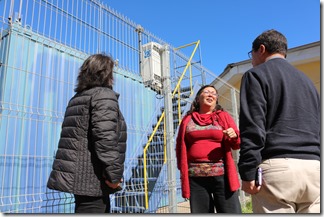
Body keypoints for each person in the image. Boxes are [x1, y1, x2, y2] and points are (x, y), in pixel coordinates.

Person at [238, 29, 320, 213]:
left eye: (252, 54)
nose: (252, 60)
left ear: (261, 49)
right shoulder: (308, 83)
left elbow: (253, 127)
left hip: (277, 171)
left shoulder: (256, 75)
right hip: (314, 170)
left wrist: (248, 171)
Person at [47, 53, 127, 213]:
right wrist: (114, 177)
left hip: (80, 180)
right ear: (105, 74)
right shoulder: (103, 95)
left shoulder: (78, 98)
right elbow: (105, 139)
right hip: (94, 180)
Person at [176, 85, 242, 213]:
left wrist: (234, 135)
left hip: (222, 176)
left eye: (214, 93)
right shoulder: (187, 119)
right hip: (196, 177)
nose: (210, 94)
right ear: (198, 98)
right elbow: (180, 146)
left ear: (216, 99)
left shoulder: (223, 116)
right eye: (206, 92)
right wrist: (182, 168)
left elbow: (236, 144)